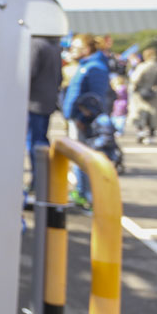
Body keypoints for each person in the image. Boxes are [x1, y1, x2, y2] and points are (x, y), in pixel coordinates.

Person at [62, 34, 112, 208]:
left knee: (85, 159)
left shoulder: (95, 67)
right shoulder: (85, 65)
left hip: (84, 122)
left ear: (87, 49)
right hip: (76, 119)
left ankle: (89, 197)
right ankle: (82, 193)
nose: (71, 50)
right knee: (79, 159)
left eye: (75, 47)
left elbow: (95, 99)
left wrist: (83, 118)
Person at [26, 35, 62, 201]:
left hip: (34, 103)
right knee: (41, 141)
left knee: (35, 144)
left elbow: (28, 73)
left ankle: (39, 184)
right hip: (46, 101)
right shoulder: (54, 46)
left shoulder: (36, 44)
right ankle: (44, 182)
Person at [128, 47, 157, 144]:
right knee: (153, 116)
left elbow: (135, 79)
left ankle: (140, 132)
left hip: (140, 94)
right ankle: (151, 135)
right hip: (154, 94)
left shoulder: (142, 66)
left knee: (140, 114)